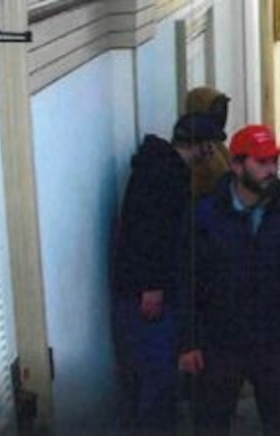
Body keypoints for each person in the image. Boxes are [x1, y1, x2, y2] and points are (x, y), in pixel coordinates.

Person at [180, 124, 280, 436]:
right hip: (220, 345)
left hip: (275, 345)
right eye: (261, 162)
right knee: (212, 422)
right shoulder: (205, 216)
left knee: (277, 422)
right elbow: (189, 279)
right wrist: (189, 342)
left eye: (273, 161)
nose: (271, 169)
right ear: (237, 165)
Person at [112, 114, 208, 434]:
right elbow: (153, 233)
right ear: (200, 147)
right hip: (149, 294)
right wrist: (152, 285)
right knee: (157, 373)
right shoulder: (169, 177)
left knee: (146, 371)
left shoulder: (155, 168)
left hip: (136, 290)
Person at [184, 86, 232, 200]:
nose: (221, 114)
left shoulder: (216, 144)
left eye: (223, 109)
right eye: (216, 109)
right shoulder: (199, 150)